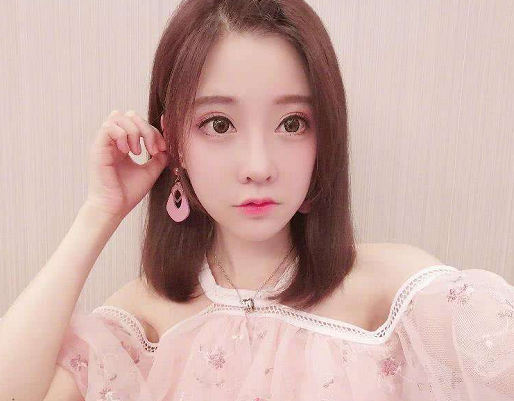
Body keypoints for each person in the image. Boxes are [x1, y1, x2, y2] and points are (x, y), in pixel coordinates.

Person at [1, 0, 513, 400]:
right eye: (219, 124)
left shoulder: (401, 300)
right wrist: (99, 213)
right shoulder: (141, 326)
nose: (258, 165)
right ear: (174, 141)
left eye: (292, 123)